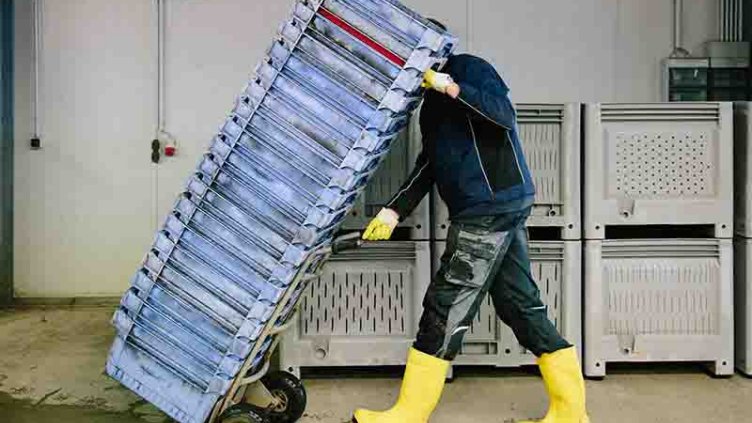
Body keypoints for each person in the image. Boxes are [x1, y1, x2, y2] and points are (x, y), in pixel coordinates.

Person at [351, 23, 590, 423]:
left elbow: (503, 116)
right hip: (496, 207)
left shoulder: (470, 69)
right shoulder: (429, 108)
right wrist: (393, 211)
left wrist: (450, 85)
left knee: (446, 303)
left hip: (488, 207)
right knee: (519, 304)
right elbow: (429, 163)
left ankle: (409, 414)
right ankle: (570, 410)